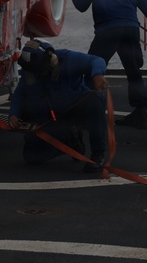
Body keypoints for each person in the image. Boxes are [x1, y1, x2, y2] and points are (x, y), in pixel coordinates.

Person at [8, 40, 108, 171]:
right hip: (52, 116)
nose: (37, 75)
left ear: (52, 61)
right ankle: (71, 140)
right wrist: (14, 113)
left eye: (39, 71)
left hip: (75, 107)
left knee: (95, 101)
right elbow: (20, 93)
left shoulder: (68, 59)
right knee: (32, 157)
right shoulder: (30, 69)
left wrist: (97, 75)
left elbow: (96, 60)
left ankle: (98, 155)